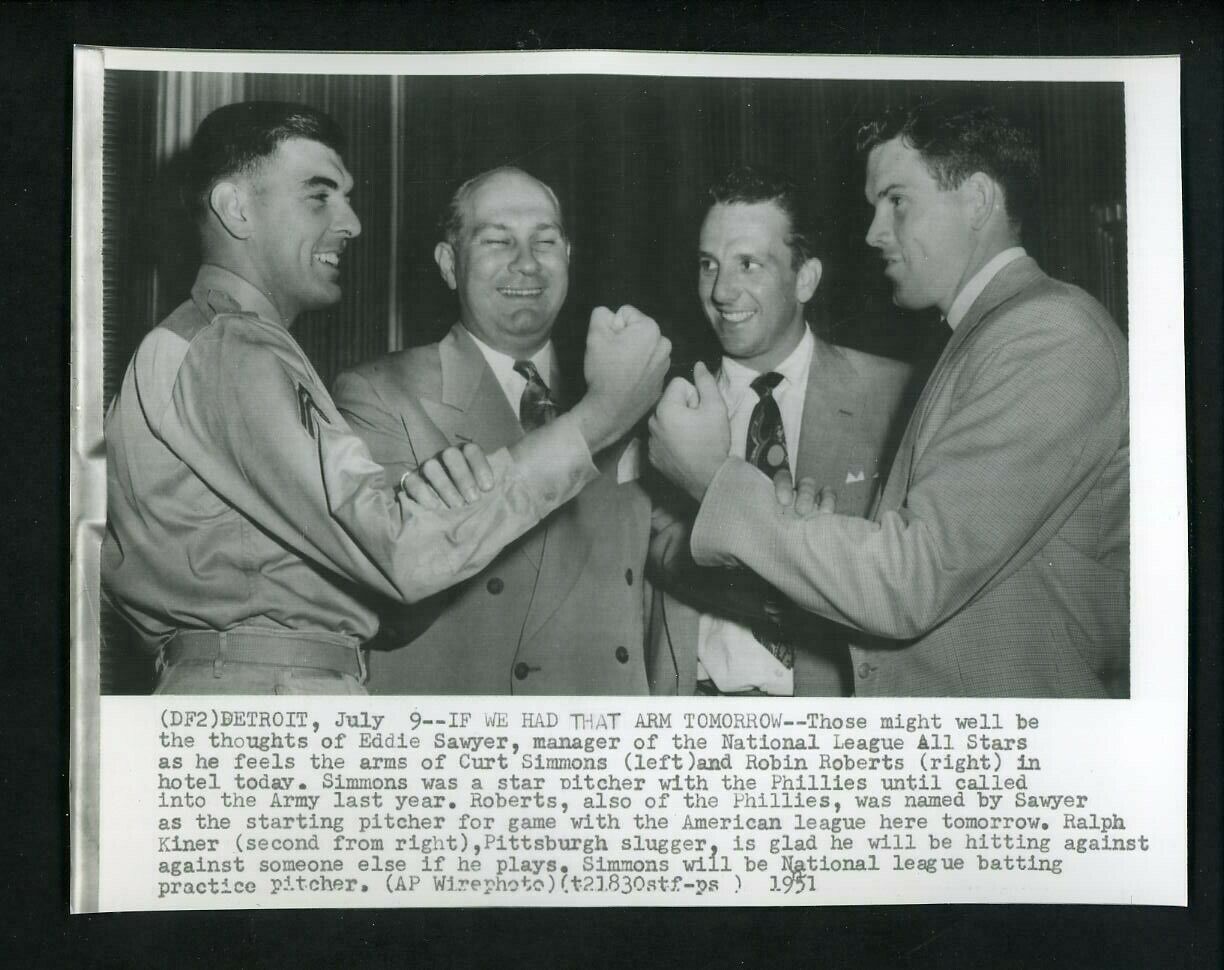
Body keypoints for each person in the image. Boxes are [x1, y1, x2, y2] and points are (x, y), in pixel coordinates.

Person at [102, 103, 670, 695]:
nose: (352, 223)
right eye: (319, 196)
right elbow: (399, 553)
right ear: (236, 208)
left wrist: (436, 513)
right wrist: (601, 418)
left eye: (346, 197)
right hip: (269, 693)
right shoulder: (232, 346)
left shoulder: (221, 341)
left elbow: (374, 584)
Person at [649, 102, 1129, 698]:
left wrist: (714, 480)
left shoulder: (1048, 333)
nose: (874, 233)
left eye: (897, 201)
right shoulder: (983, 338)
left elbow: (909, 581)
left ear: (977, 200)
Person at [334, 166, 658, 694]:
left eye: (545, 240)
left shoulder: (617, 386)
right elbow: (376, 605)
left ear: (569, 257)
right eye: (497, 240)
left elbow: (668, 560)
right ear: (448, 265)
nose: (526, 262)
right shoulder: (377, 394)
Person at [645, 168, 913, 697]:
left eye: (748, 264)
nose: (721, 291)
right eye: (708, 265)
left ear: (805, 278)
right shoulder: (661, 408)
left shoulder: (898, 397)